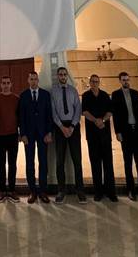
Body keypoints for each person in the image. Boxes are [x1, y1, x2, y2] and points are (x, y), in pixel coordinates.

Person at [111, 72, 138, 201]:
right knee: (128, 163)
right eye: (123, 80)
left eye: (127, 79)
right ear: (120, 81)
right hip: (125, 132)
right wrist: (118, 132)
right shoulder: (116, 95)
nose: (126, 82)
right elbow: (116, 115)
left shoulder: (135, 93)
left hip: (137, 131)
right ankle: (131, 190)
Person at [50, 67, 85, 203]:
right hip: (59, 128)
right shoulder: (53, 91)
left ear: (67, 76)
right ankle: (61, 190)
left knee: (77, 160)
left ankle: (80, 190)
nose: (63, 76)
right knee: (60, 161)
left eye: (65, 74)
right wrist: (62, 127)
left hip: (73, 127)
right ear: (58, 76)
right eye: (61, 74)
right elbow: (53, 111)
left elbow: (78, 109)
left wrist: (71, 126)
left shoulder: (73, 90)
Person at [81, 74, 116, 202]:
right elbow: (84, 111)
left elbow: (110, 111)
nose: (95, 83)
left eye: (97, 81)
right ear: (89, 83)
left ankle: (111, 192)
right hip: (92, 135)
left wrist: (102, 120)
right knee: (95, 164)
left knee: (108, 164)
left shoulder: (105, 95)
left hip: (105, 134)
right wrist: (96, 120)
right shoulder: (86, 96)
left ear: (99, 82)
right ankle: (98, 192)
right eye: (93, 82)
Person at [18, 71, 52, 203]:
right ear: (28, 80)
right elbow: (21, 117)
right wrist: (23, 134)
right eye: (31, 79)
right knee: (30, 162)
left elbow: (49, 115)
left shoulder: (45, 95)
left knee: (43, 162)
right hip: (29, 135)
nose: (33, 81)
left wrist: (49, 132)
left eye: (35, 79)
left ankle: (43, 191)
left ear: (38, 80)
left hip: (43, 134)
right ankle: (32, 191)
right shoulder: (23, 96)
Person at [0, 75, 19, 203]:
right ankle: (2, 190)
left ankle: (12, 190)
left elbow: (20, 118)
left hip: (13, 135)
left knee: (12, 164)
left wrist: (20, 133)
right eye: (4, 83)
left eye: (8, 82)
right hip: (0, 136)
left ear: (11, 84)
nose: (6, 85)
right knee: (1, 164)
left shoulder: (16, 99)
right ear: (1, 85)